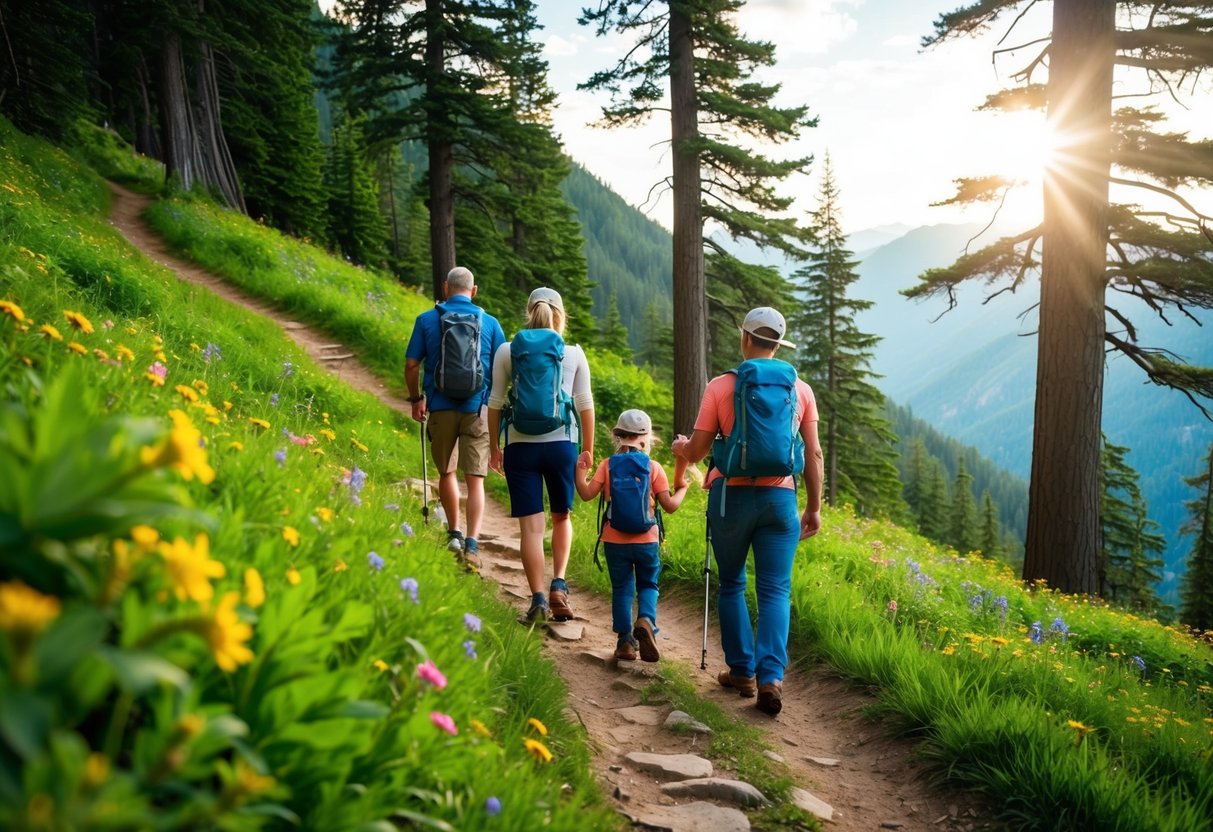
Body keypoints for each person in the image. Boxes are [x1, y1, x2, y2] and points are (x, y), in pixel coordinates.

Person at [672, 307, 823, 716]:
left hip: (731, 499)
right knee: (775, 589)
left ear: (745, 338)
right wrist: (813, 506)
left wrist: (680, 449)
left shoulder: (721, 387)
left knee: (732, 583)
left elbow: (700, 450)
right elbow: (813, 453)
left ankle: (741, 670)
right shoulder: (801, 390)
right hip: (781, 501)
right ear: (777, 344)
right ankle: (771, 678)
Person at [487, 288, 594, 623]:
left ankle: (537, 601)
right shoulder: (573, 353)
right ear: (560, 316)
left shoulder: (508, 351)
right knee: (562, 517)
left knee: (531, 528)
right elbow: (584, 404)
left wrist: (495, 446)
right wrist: (587, 448)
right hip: (563, 444)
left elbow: (494, 402)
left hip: (520, 446)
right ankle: (559, 586)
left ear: (528, 311)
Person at [405, 266, 507, 565]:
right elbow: (503, 368)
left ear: (445, 288)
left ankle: (454, 534)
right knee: (475, 480)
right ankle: (473, 544)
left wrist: (415, 399)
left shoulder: (426, 320)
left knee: (446, 472)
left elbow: (412, 365)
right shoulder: (489, 323)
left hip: (439, 406)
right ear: (473, 291)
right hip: (478, 409)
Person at [575, 409, 689, 661]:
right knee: (648, 584)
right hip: (647, 540)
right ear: (646, 437)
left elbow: (585, 494)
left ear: (618, 435)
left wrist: (580, 471)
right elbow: (669, 506)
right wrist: (683, 489)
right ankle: (646, 620)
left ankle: (625, 642)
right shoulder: (653, 467)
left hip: (614, 540)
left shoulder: (607, 465)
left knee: (622, 588)